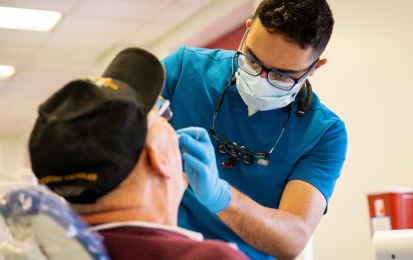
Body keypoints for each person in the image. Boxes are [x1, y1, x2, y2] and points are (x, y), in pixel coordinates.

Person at [162, 0, 348, 259]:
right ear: (247, 30)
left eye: (281, 76)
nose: (259, 80)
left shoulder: (323, 134)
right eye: (252, 60)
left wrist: (221, 196)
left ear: (314, 68)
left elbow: (292, 240)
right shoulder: (184, 70)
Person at [27, 47, 248, 260]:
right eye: (163, 114)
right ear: (158, 158)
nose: (171, 123)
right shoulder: (209, 258)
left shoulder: (30, 249)